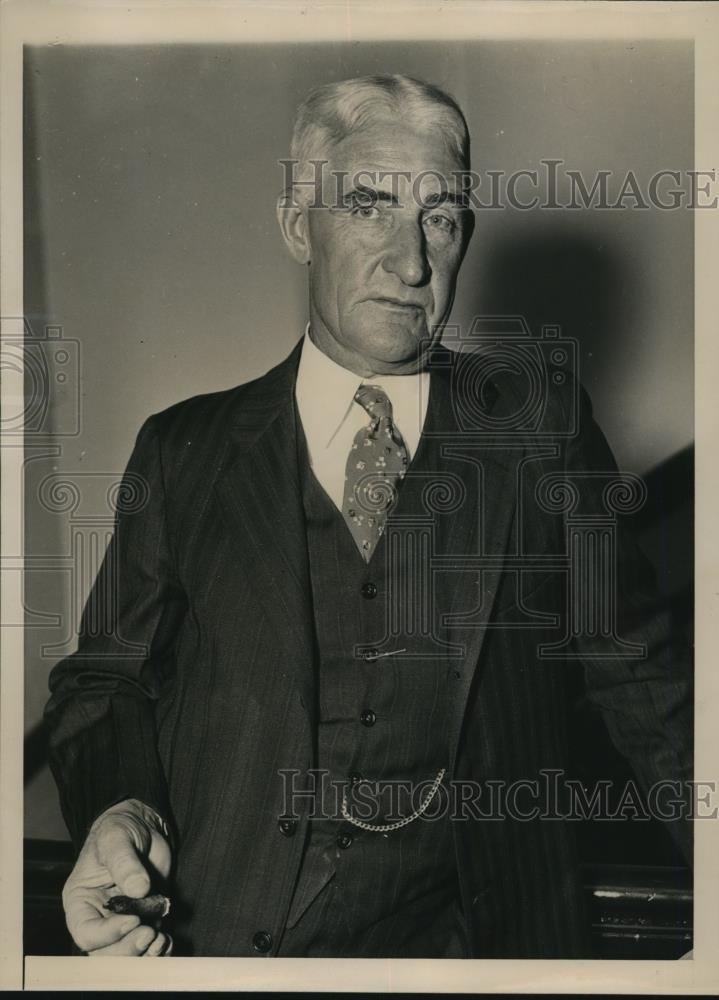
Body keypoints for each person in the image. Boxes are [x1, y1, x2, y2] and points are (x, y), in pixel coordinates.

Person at [44, 74, 692, 959]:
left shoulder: (541, 426)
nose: (413, 261)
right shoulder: (182, 449)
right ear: (294, 227)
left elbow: (644, 685)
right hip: (225, 943)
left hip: (482, 952)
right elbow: (102, 682)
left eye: (442, 217)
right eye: (368, 206)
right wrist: (121, 806)